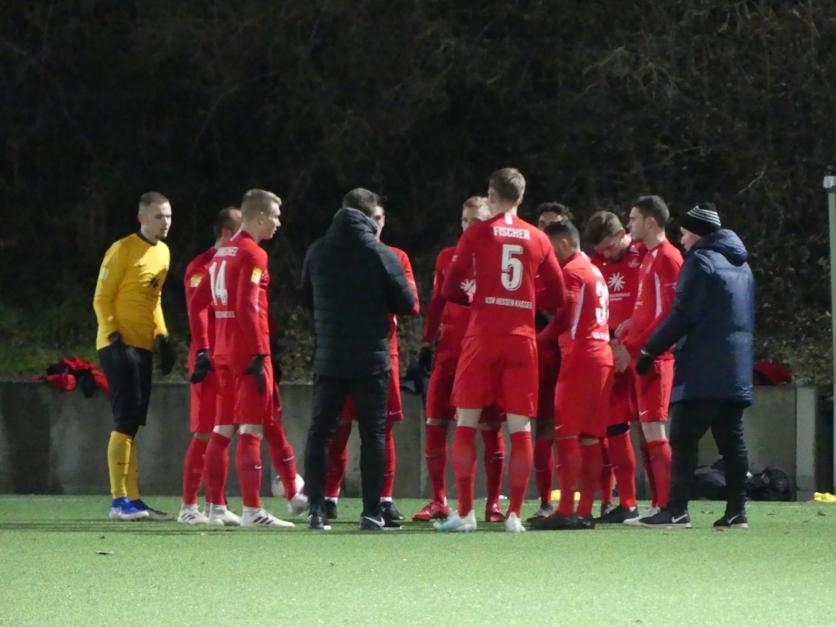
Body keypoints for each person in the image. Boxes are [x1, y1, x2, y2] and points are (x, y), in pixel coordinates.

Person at [435, 168, 566, 533]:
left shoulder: (477, 233)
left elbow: (449, 288)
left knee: (467, 422)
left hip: (482, 336)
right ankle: (514, 515)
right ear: (521, 198)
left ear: (491, 195)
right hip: (521, 338)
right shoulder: (538, 237)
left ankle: (465, 513)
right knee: (520, 427)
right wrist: (526, 299)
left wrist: (477, 299)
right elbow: (557, 294)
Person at [302, 188, 417, 531]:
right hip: (371, 358)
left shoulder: (318, 250)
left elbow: (307, 297)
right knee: (374, 434)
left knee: (321, 433)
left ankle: (317, 509)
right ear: (370, 217)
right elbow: (407, 303)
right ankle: (371, 511)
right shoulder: (380, 253)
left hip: (330, 357)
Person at [633, 203, 754, 529]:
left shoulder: (699, 262)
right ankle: (737, 512)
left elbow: (682, 315)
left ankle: (676, 510)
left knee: (683, 438)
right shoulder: (742, 265)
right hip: (736, 368)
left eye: (685, 233)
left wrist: (649, 349)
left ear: (698, 233)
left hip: (702, 367)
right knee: (732, 441)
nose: (682, 240)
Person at [197, 189, 293, 528]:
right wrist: (258, 352)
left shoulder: (221, 253)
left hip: (222, 351)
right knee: (252, 428)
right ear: (260, 217)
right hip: (246, 353)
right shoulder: (254, 253)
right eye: (276, 216)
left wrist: (204, 347)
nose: (279, 223)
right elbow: (246, 306)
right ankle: (253, 509)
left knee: (222, 428)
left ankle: (215, 508)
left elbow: (198, 301)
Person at [412, 196, 507, 523]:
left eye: (476, 221)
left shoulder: (500, 256)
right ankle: (438, 499)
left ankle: (492, 504)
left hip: (484, 351)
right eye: (465, 221)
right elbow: (438, 301)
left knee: (490, 426)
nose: (469, 227)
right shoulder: (448, 257)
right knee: (435, 420)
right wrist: (427, 341)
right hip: (450, 351)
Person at [93, 191, 175, 521]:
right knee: (125, 419)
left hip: (142, 346)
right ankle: (118, 501)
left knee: (134, 423)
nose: (165, 222)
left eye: (168, 216)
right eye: (158, 216)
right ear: (142, 218)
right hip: (117, 346)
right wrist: (114, 334)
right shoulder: (122, 249)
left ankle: (134, 499)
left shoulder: (164, 253)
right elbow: (101, 297)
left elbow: (154, 299)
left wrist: (162, 335)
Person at [530, 221, 614, 530]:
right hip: (602, 355)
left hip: (581, 358)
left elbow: (566, 314)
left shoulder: (572, 271)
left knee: (566, 435)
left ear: (564, 243)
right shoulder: (594, 270)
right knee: (590, 437)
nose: (549, 257)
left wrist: (538, 341)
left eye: (551, 250)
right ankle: (585, 510)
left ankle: (566, 509)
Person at [611, 195, 682, 522]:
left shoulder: (668, 257)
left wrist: (641, 345)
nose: (629, 226)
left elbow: (670, 313)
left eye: (634, 219)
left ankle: (669, 508)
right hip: (642, 353)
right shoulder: (649, 257)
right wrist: (629, 332)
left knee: (655, 430)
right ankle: (658, 505)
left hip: (655, 357)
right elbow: (648, 308)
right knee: (648, 431)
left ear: (651, 222)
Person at [178, 206, 242, 525]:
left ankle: (216, 503)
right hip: (208, 359)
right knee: (205, 430)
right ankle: (188, 506)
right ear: (227, 233)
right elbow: (198, 310)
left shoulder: (232, 265)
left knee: (224, 430)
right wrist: (203, 349)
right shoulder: (201, 267)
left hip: (228, 358)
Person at [584, 210, 646, 522]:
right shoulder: (594, 264)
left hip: (644, 352)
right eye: (602, 250)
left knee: (650, 430)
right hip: (611, 352)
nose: (607, 254)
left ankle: (663, 504)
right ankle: (626, 502)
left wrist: (634, 335)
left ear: (623, 233)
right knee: (615, 428)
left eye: (610, 247)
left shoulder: (645, 254)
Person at [529, 201, 573, 521]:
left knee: (575, 429)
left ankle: (588, 498)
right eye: (541, 223)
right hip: (541, 357)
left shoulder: (573, 267)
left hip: (570, 356)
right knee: (543, 426)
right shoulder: (530, 262)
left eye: (552, 224)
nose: (544, 230)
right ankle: (546, 500)